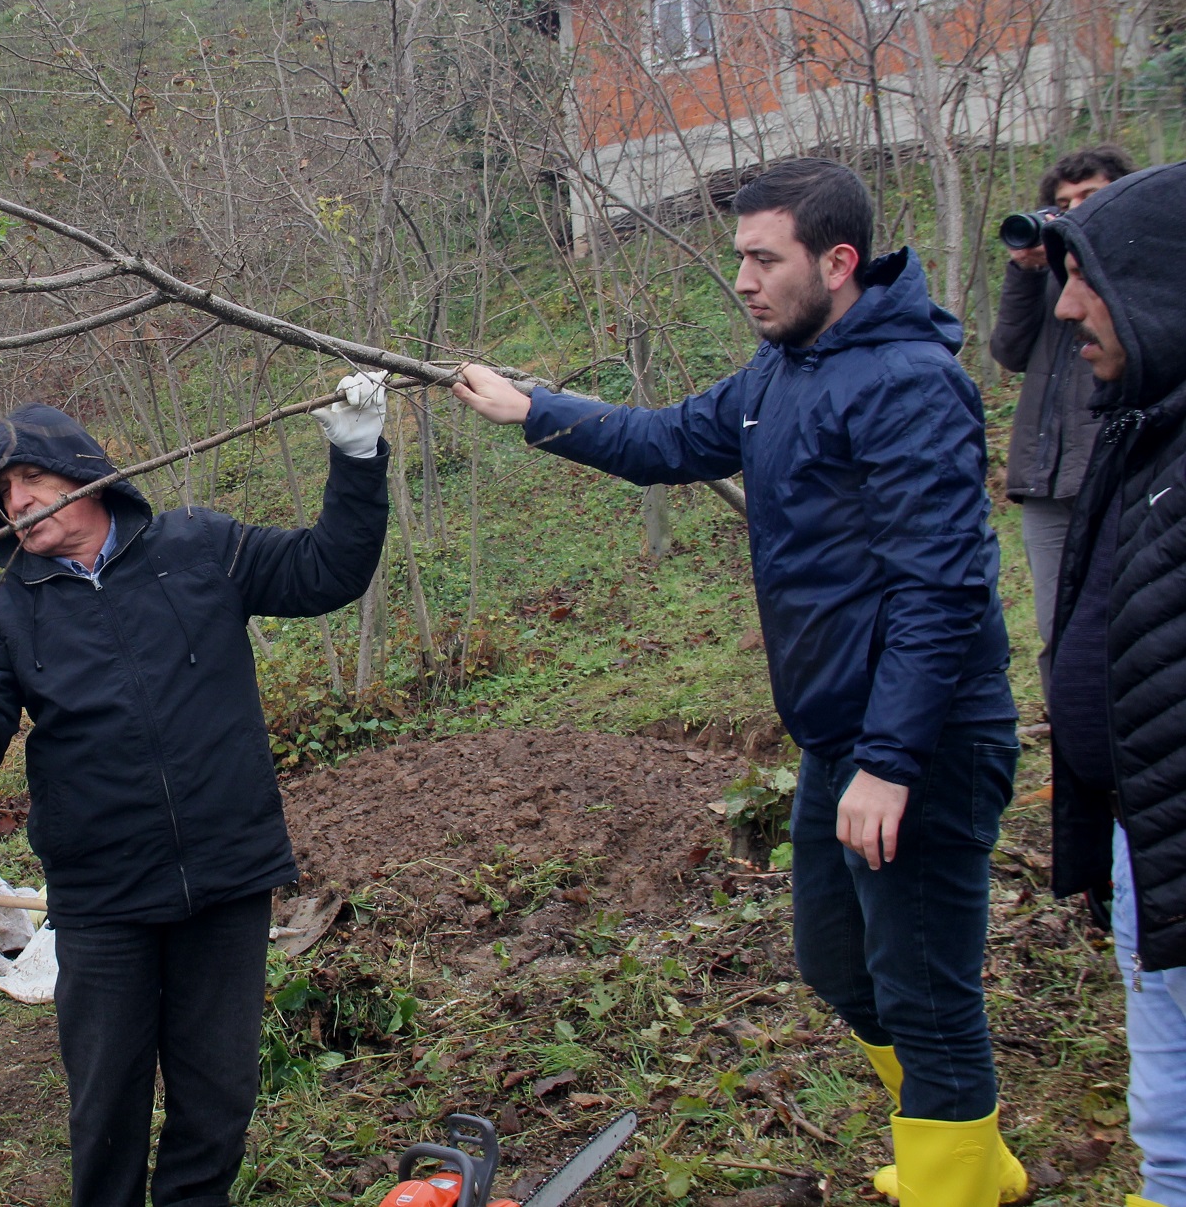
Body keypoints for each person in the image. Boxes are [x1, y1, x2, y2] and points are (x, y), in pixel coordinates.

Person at [455, 158, 1024, 1207]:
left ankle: (957, 1181)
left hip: (924, 742)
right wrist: (530, 406)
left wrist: (891, 763)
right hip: (839, 738)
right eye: (737, 260)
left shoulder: (904, 384)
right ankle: (973, 1166)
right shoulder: (781, 374)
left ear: (836, 261)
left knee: (924, 992)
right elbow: (667, 438)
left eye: (763, 259)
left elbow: (940, 591)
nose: (742, 281)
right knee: (834, 961)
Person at [0, 377, 391, 1207]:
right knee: (107, 1103)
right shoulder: (10, 610)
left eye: (31, 478)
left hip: (225, 875)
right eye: (3, 492)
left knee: (215, 1096)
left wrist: (357, 456)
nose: (20, 501)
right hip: (105, 895)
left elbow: (329, 569)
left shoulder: (200, 546)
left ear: (83, 468)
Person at [1042, 162, 1186, 1207]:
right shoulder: (1141, 429)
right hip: (1147, 843)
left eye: (1086, 273)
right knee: (1165, 1122)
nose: (1063, 304)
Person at [990, 143, 1136, 680]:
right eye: (1062, 202)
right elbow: (1008, 350)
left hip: (1113, 476)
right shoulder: (1054, 281)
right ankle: (1072, 756)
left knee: (1123, 629)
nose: (1074, 211)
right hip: (1044, 483)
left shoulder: (1144, 274)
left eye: (1089, 198)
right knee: (1059, 636)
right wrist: (1027, 272)